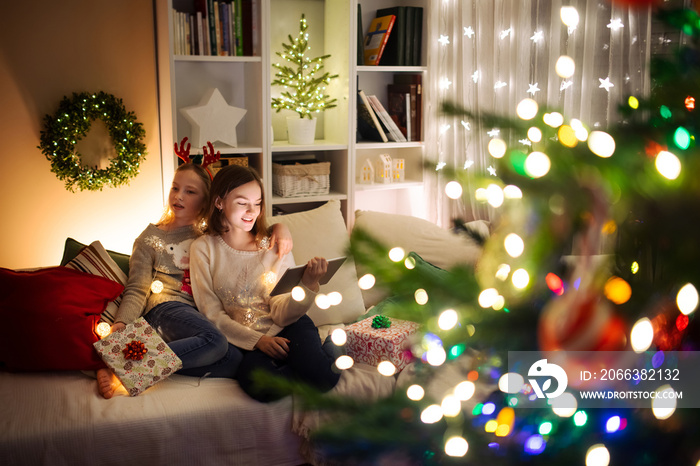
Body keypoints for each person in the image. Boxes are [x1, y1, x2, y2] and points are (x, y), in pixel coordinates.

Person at [97, 161, 293, 399]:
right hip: (167, 309)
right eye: (175, 188)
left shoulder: (212, 236)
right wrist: (122, 324)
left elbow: (249, 231)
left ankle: (155, 364)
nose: (179, 196)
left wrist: (280, 227)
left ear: (210, 200)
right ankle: (124, 365)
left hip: (200, 317)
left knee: (236, 361)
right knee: (216, 341)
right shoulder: (151, 238)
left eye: (190, 191)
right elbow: (137, 287)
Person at [190, 165, 341, 402]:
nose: (253, 211)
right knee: (259, 386)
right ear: (219, 202)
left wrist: (308, 285)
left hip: (291, 324)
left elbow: (282, 312)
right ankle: (304, 368)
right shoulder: (203, 249)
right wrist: (258, 341)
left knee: (324, 379)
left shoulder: (273, 245)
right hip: (251, 338)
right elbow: (211, 313)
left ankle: (334, 345)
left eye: (258, 203)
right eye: (242, 203)